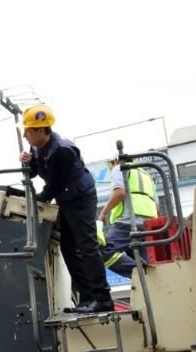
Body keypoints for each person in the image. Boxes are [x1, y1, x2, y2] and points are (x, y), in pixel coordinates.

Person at [19, 104, 114, 314]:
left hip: (80, 199)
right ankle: (88, 297)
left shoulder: (62, 150)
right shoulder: (38, 146)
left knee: (87, 246)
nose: (25, 136)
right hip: (67, 198)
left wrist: (33, 202)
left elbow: (53, 185)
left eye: (27, 131)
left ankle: (103, 299)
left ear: (41, 130)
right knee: (68, 248)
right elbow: (37, 171)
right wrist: (29, 163)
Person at [98, 158, 158, 278]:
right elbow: (156, 206)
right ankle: (148, 277)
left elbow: (119, 192)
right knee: (143, 260)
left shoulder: (119, 168)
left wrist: (103, 213)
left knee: (104, 251)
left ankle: (141, 275)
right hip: (148, 225)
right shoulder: (146, 175)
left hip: (128, 222)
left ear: (114, 161)